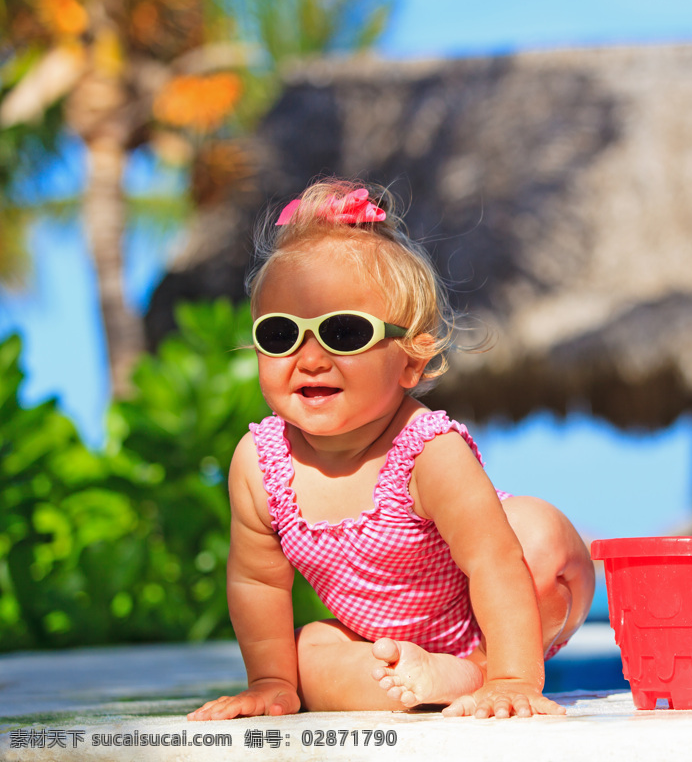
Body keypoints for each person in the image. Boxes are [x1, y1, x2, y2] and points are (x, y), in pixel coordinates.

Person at [187, 180, 595, 721]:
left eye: (345, 332)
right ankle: (431, 679)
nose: (309, 358)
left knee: (536, 535)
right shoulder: (260, 464)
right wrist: (271, 681)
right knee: (307, 655)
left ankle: (478, 670)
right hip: (380, 639)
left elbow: (494, 563)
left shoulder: (427, 452)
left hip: (496, 609)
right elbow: (256, 579)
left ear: (412, 360)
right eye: (282, 334)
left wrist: (513, 679)